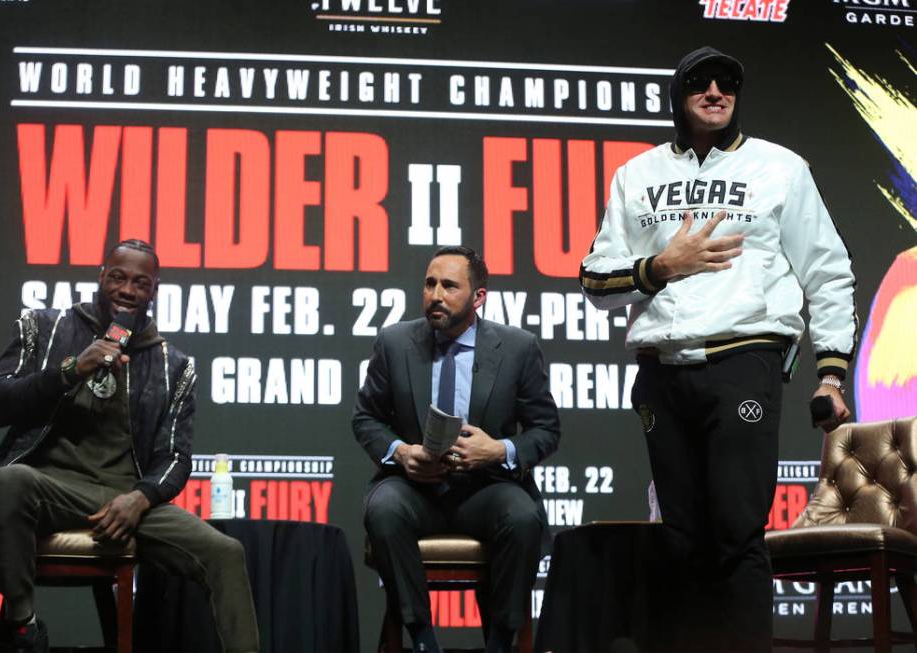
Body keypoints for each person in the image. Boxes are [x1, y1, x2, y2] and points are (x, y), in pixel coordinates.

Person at [580, 47, 856, 652]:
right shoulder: (637, 174)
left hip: (744, 362)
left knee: (736, 533)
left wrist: (831, 372)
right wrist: (659, 267)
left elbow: (828, 272)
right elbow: (596, 280)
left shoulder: (780, 168)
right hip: (661, 373)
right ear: (677, 94)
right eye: (699, 81)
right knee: (680, 537)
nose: (714, 90)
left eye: (727, 81)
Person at [0, 239, 259, 653]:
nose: (127, 290)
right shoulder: (45, 326)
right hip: (49, 487)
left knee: (226, 552)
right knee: (8, 481)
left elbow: (175, 457)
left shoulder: (173, 364)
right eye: (118, 277)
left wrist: (140, 499)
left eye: (140, 283)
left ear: (154, 291)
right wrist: (73, 369)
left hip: (124, 498)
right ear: (101, 277)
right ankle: (23, 627)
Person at [354, 246, 561, 653]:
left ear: (478, 296)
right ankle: (423, 638)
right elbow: (365, 418)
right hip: (414, 489)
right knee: (383, 509)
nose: (435, 294)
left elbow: (545, 430)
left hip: (485, 488)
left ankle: (501, 641)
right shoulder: (394, 343)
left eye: (449, 285)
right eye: (430, 284)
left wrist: (499, 450)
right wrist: (401, 452)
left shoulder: (517, 348)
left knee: (522, 517)